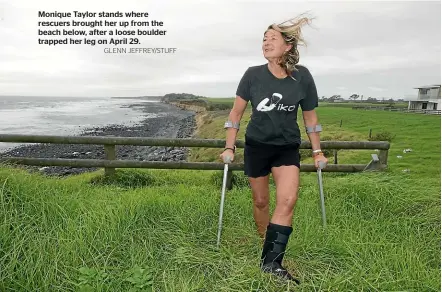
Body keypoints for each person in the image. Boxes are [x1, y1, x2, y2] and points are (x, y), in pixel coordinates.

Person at [220, 15, 328, 283]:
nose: (266, 43)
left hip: (286, 148)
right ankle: (265, 244)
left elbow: (311, 119)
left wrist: (317, 152)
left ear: (288, 46)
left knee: (288, 200)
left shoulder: (302, 78)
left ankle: (272, 262)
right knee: (261, 201)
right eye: (264, 39)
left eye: (272, 39)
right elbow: (235, 113)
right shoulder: (252, 75)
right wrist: (229, 146)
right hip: (257, 146)